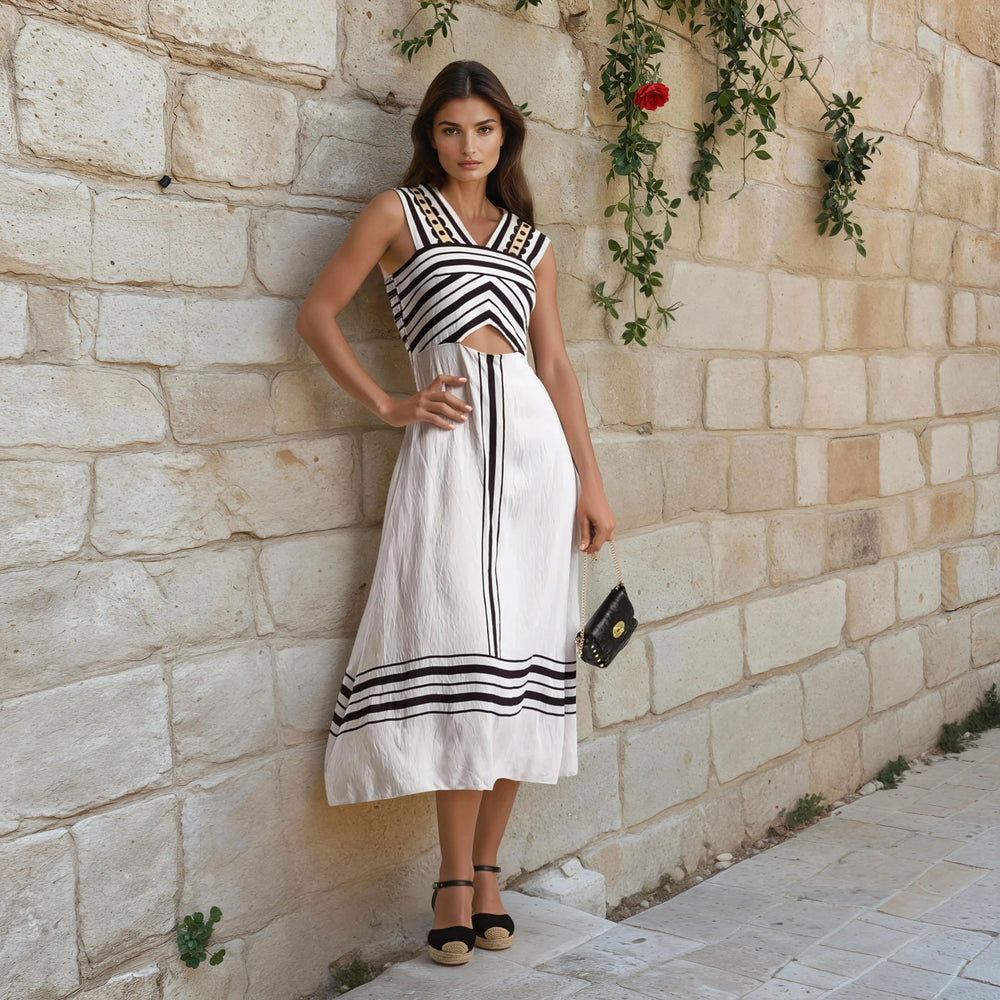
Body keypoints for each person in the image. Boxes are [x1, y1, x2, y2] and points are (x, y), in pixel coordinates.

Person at [296, 60, 615, 967]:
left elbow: (555, 367)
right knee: (471, 655)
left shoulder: (530, 243)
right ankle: (449, 879)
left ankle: (486, 872)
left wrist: (591, 482)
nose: (468, 145)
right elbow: (317, 314)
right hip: (450, 456)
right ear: (429, 136)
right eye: (450, 129)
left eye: (483, 129)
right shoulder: (397, 214)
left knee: (524, 663)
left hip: (536, 464)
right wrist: (390, 404)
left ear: (505, 136)